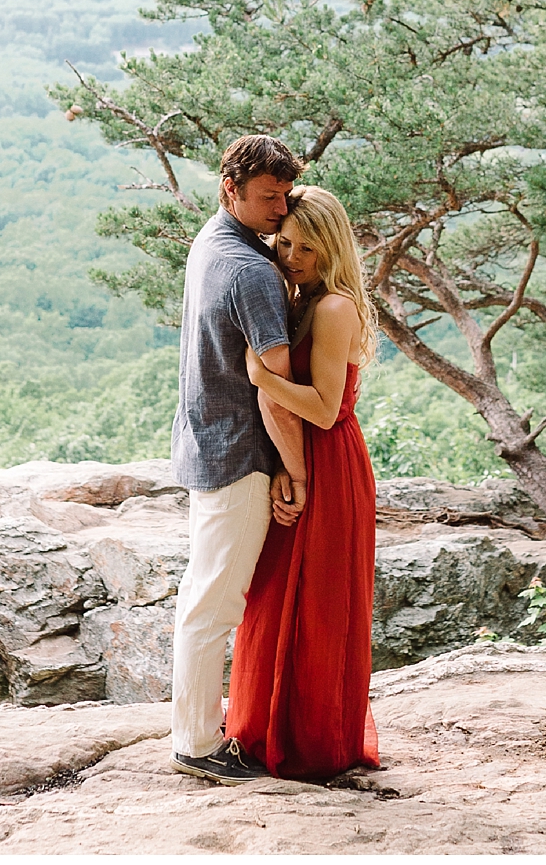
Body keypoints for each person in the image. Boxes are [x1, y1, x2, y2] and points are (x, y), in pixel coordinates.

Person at [226, 185, 381, 780]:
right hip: (301, 456)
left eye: (305, 248)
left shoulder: (334, 307)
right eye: (284, 241)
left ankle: (313, 742)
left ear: (331, 251)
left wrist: (260, 375)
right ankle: (268, 727)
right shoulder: (300, 296)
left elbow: (322, 407)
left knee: (317, 605)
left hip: (331, 463)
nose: (289, 256)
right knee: (274, 594)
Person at [168, 133, 306, 783]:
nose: (281, 209)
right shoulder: (251, 270)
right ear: (231, 189)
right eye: (267, 197)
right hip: (239, 453)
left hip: (204, 441)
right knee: (213, 603)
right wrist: (295, 471)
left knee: (205, 594)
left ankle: (199, 728)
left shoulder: (210, 242)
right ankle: (196, 743)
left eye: (284, 195)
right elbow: (274, 391)